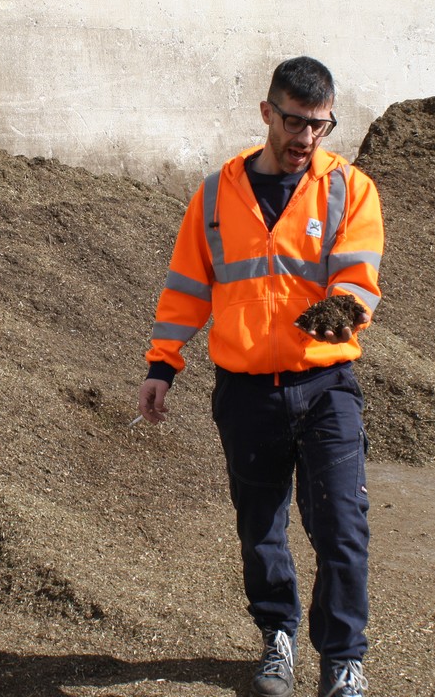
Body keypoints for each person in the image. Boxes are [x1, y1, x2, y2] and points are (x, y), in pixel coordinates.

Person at [137, 56, 383, 697]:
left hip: (326, 386)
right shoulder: (216, 195)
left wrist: (343, 311)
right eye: (295, 122)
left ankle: (343, 660)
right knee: (260, 530)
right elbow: (187, 285)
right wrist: (163, 363)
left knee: (343, 528)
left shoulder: (348, 189)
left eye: (320, 125)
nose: (306, 138)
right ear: (267, 113)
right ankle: (278, 636)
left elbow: (358, 276)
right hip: (246, 391)